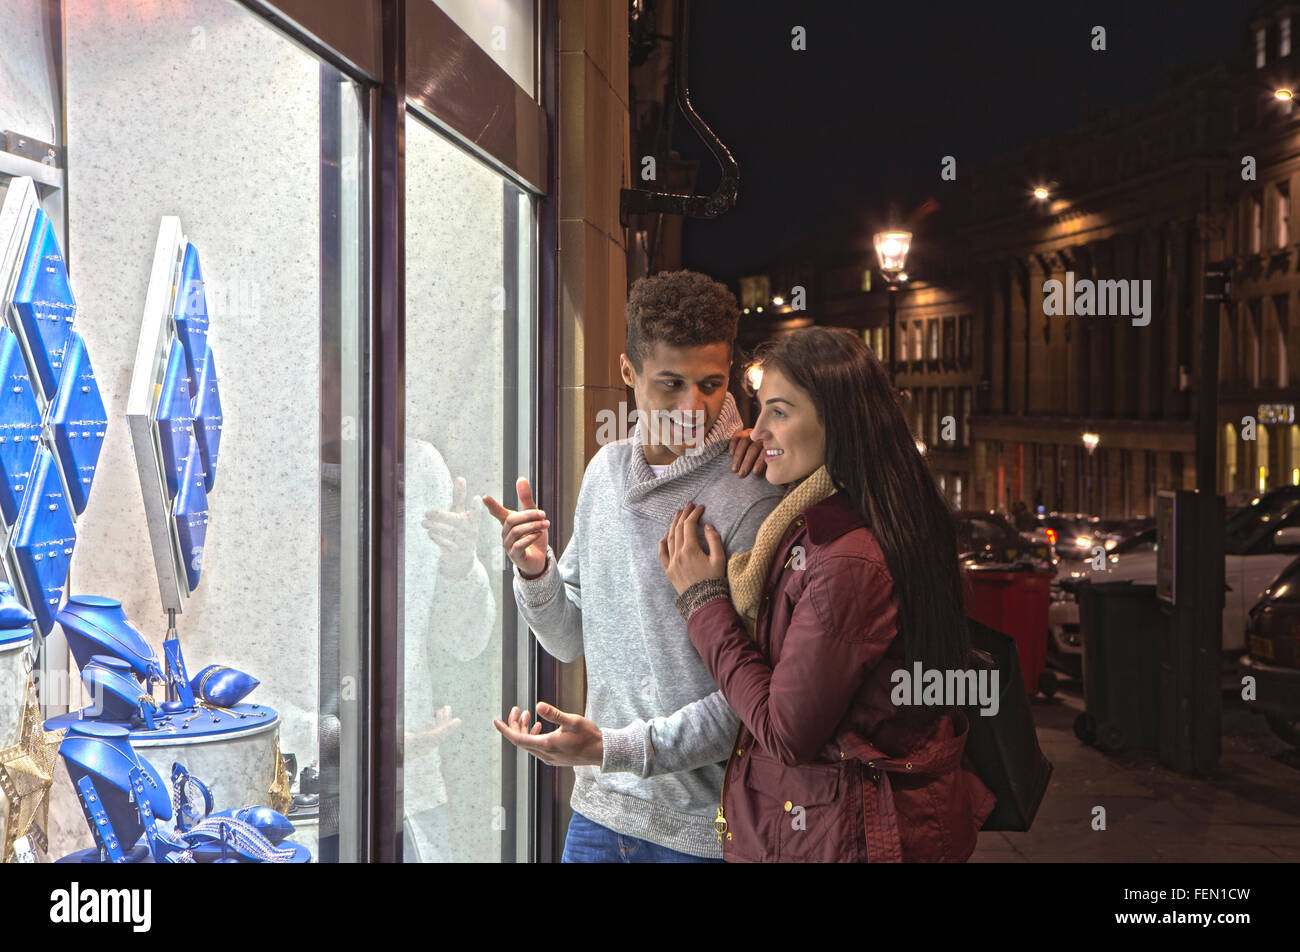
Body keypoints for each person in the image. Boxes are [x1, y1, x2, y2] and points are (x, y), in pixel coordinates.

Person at [660, 326, 996, 862]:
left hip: (843, 836)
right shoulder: (848, 514)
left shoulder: (847, 560)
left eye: (780, 412)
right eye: (760, 409)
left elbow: (786, 731)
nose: (757, 429)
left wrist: (704, 603)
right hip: (828, 825)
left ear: (837, 422)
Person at [485, 270, 782, 862]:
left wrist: (611, 748)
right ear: (628, 373)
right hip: (598, 816)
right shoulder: (605, 471)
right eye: (670, 383)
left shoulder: (753, 491)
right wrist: (535, 572)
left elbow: (756, 699)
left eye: (710, 384)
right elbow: (568, 640)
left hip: (705, 835)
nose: (692, 406)